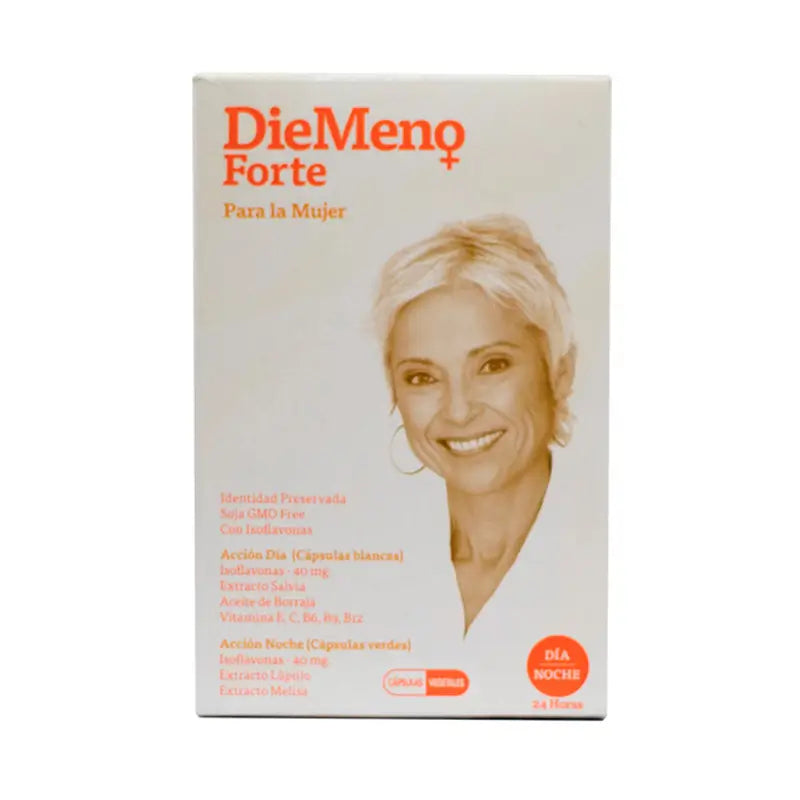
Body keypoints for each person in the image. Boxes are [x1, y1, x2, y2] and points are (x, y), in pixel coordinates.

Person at [374, 214, 577, 636]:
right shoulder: (370, 563)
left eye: (492, 365)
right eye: (422, 377)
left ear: (559, 372)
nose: (458, 411)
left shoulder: (598, 556)